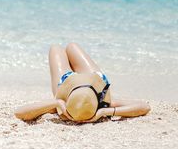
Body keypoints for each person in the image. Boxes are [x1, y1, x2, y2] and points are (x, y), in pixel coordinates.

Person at [15, 43, 151, 123]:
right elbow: (144, 107)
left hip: (68, 82)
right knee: (72, 46)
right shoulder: (102, 103)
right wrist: (105, 111)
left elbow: (20, 113)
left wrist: (56, 103)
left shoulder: (65, 105)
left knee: (56, 48)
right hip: (95, 83)